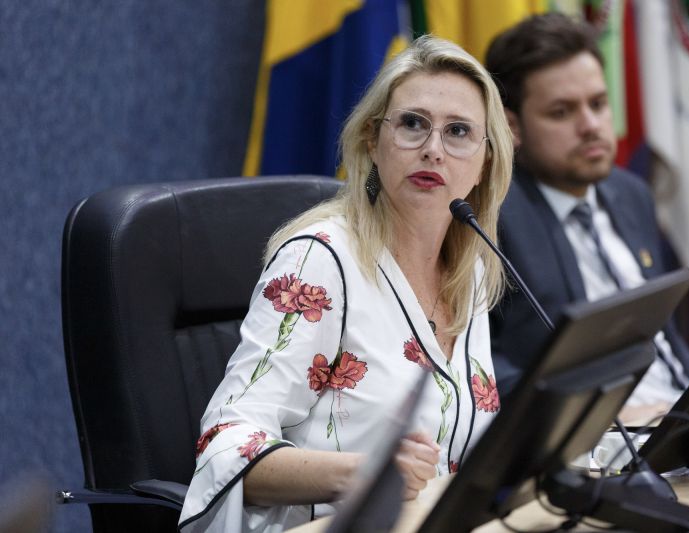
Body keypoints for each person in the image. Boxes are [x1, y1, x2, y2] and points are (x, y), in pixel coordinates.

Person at [178, 35, 513, 532]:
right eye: (412, 124)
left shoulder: (472, 269)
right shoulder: (319, 262)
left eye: (459, 131)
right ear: (371, 142)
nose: (433, 150)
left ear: (486, 161)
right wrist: (361, 473)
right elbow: (225, 444)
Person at [484, 13, 689, 422]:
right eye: (562, 112)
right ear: (511, 127)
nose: (591, 126)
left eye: (598, 104)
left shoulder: (630, 193)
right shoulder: (491, 216)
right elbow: (483, 373)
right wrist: (606, 419)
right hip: (599, 444)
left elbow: (670, 346)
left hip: (679, 421)